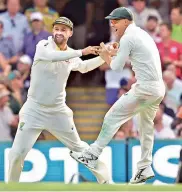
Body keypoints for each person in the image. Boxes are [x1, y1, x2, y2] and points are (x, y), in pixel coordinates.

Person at [8, 16, 110, 184]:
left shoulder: (69, 54)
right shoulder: (43, 46)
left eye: (63, 30)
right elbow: (53, 56)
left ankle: (106, 182)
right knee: (17, 154)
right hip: (34, 109)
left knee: (79, 149)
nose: (59, 32)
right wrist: (82, 52)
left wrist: (103, 58)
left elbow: (83, 67)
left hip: (57, 112)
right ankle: (11, 188)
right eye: (56, 29)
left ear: (70, 33)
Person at [70, 7, 166, 184]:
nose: (112, 24)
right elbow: (130, 55)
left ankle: (92, 154)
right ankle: (144, 167)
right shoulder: (141, 34)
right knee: (145, 127)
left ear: (127, 21)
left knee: (112, 117)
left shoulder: (129, 37)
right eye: (111, 21)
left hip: (145, 88)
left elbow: (115, 67)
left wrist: (106, 55)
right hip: (158, 89)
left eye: (115, 20)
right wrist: (112, 52)